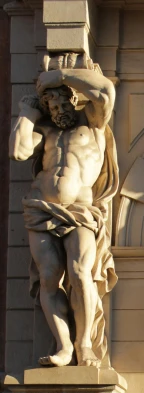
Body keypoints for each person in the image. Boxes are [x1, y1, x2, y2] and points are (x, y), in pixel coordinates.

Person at [9, 56, 118, 368]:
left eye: (62, 104)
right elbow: (17, 150)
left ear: (73, 98)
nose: (58, 111)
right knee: (48, 278)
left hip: (81, 212)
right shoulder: (46, 132)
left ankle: (85, 346)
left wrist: (61, 74)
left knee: (81, 273)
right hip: (42, 210)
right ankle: (64, 346)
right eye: (52, 107)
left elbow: (106, 91)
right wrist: (28, 112)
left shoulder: (93, 122)